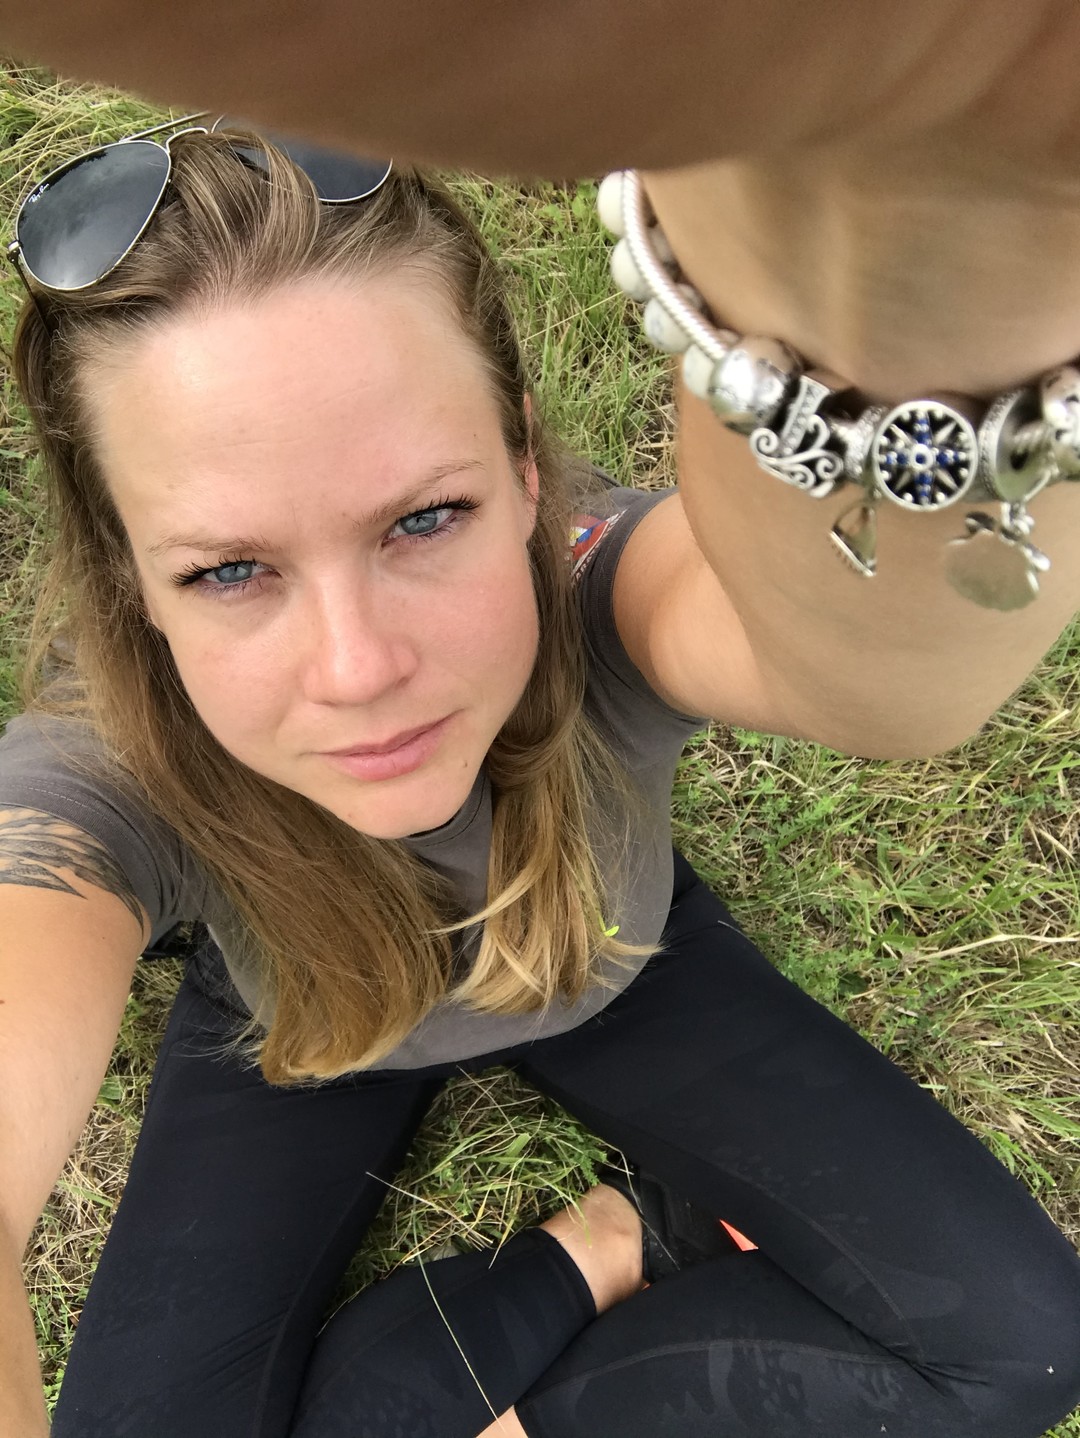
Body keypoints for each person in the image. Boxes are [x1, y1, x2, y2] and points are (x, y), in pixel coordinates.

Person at [1, 120, 1079, 1438]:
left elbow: (886, 679)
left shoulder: (596, 588)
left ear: (523, 468)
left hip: (603, 952)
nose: (357, 668)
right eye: (229, 570)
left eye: (424, 518)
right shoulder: (110, 759)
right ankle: (610, 1243)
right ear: (128, 573)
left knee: (1022, 1345)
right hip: (312, 1007)